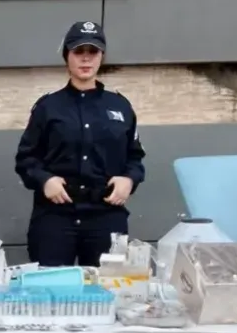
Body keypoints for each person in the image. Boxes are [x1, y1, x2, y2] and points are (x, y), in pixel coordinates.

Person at [14, 21, 146, 267]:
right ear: (67, 56)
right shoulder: (48, 107)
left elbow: (135, 158)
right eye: (78, 52)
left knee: (106, 285)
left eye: (93, 52)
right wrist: (45, 180)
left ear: (102, 56)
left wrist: (129, 180)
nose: (86, 59)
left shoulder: (120, 106)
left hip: (105, 216)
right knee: (50, 285)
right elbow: (26, 159)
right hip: (56, 216)